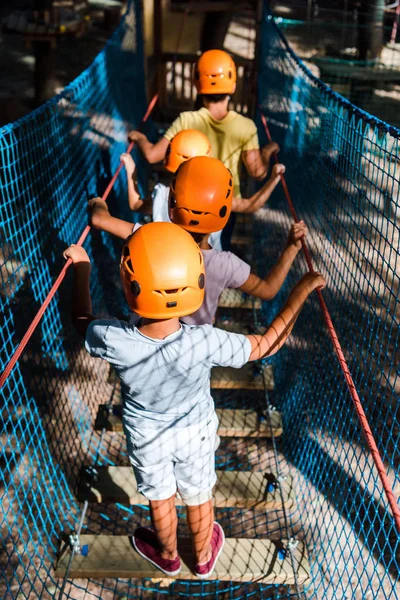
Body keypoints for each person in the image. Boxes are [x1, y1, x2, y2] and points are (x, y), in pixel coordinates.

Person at [64, 221, 325, 578]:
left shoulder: (114, 338)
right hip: (195, 433)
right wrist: (301, 292)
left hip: (146, 436)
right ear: (196, 283)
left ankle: (168, 554)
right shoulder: (203, 339)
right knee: (199, 493)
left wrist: (82, 266)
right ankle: (202, 556)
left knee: (160, 496)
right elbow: (266, 344)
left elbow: (81, 320)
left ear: (131, 285)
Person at [89, 156, 307, 326]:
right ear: (222, 214)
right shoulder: (225, 264)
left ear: (173, 203)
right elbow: (268, 290)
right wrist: (292, 247)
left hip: (147, 335)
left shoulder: (151, 237)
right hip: (195, 349)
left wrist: (99, 203)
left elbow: (99, 219)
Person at [127, 50, 279, 200]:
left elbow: (152, 156)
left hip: (191, 201)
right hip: (226, 204)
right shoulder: (246, 126)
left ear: (197, 85)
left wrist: (139, 137)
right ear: (232, 86)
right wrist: (267, 150)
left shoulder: (186, 120)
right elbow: (258, 172)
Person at [121, 129, 285, 250]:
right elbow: (251, 205)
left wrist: (131, 172)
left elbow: (136, 205)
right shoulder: (214, 196)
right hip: (205, 270)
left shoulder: (162, 190)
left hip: (165, 261)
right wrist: (273, 178)